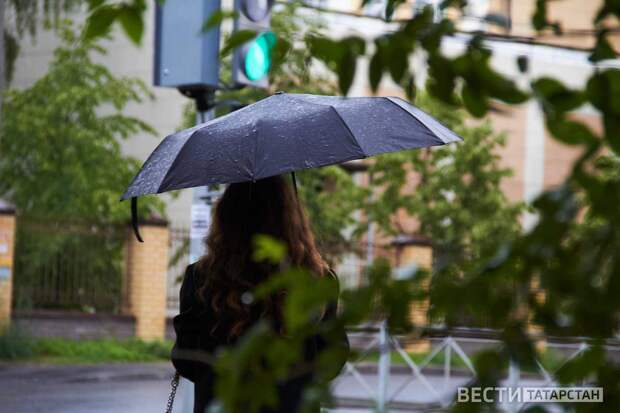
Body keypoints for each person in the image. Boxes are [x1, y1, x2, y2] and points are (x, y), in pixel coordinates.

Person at [171, 175, 349, 413]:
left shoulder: (201, 278)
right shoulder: (317, 280)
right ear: (292, 220)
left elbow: (187, 360)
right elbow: (332, 361)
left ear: (226, 217)